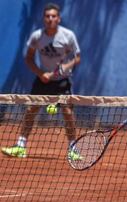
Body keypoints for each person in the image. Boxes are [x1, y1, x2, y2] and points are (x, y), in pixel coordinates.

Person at [1, 3, 82, 161]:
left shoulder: (68, 36)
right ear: (44, 18)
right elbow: (29, 59)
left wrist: (66, 66)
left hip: (62, 81)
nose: (50, 19)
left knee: (67, 112)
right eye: (47, 16)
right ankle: (20, 146)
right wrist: (41, 73)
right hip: (42, 80)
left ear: (59, 18)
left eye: (53, 16)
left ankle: (73, 148)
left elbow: (77, 57)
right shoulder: (37, 36)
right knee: (31, 109)